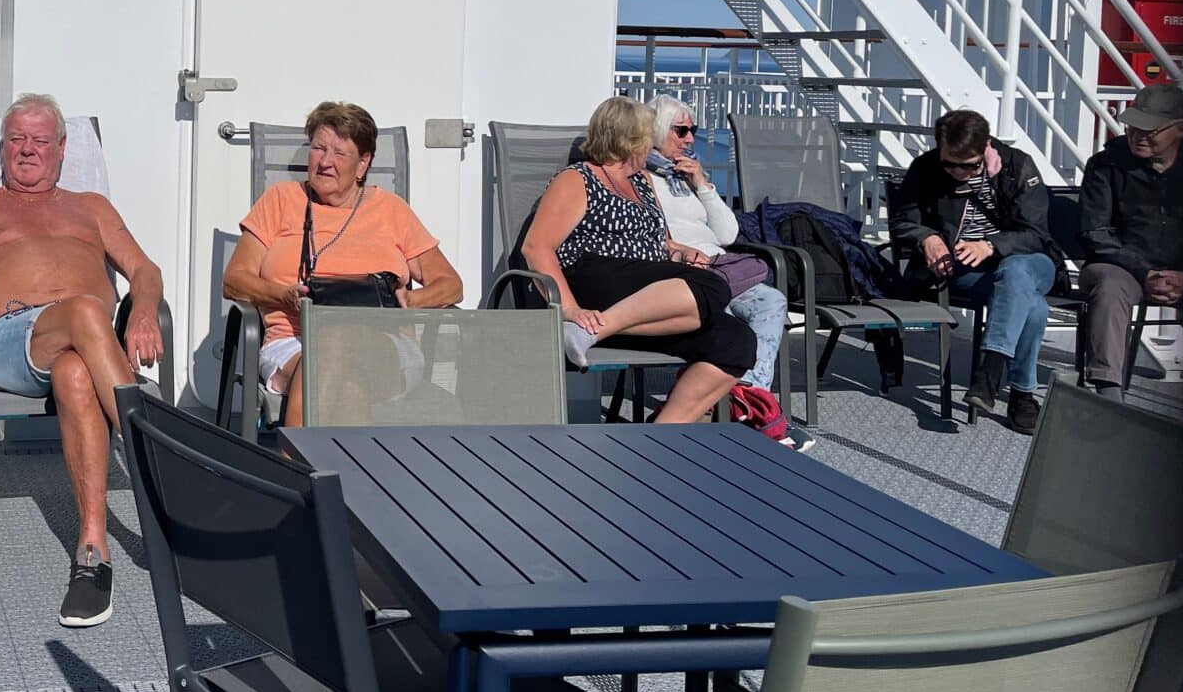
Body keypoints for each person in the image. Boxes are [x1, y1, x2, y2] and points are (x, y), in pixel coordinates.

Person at [0, 94, 164, 628]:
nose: (28, 150)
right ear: (2, 148)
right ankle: (158, 462)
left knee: (77, 374)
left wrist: (146, 312)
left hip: (83, 348)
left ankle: (91, 553)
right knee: (85, 312)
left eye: (40, 140)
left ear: (62, 149)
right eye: (17, 139)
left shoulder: (92, 207)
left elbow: (144, 270)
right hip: (12, 341)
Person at [222, 101, 463, 428]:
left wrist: (411, 300)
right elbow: (234, 280)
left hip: (386, 347)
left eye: (339, 153)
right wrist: (282, 294)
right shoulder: (281, 201)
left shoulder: (391, 210)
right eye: (319, 148)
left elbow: (451, 284)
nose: (325, 162)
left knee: (337, 338)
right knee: (348, 387)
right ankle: (347, 477)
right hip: (292, 343)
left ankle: (290, 460)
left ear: (363, 164)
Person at [516, 96, 755, 424]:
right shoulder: (578, 178)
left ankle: (658, 438)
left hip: (638, 300)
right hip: (593, 280)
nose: (654, 144)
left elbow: (659, 241)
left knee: (736, 340)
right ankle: (585, 331)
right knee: (711, 284)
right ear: (631, 139)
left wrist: (679, 250)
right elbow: (536, 247)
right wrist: (569, 311)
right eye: (649, 135)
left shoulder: (641, 182)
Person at [643, 97, 803, 444]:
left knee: (771, 301)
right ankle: (751, 413)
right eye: (681, 130)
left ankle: (746, 399)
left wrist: (702, 184)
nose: (689, 139)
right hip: (682, 270)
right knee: (723, 315)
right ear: (655, 131)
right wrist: (679, 253)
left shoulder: (685, 176)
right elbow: (646, 237)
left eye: (693, 131)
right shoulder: (641, 178)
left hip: (719, 265)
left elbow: (728, 234)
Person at [891, 109, 1062, 433]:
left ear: (985, 148)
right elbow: (903, 221)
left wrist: (992, 244)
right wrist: (927, 238)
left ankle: (990, 372)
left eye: (968, 165)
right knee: (1033, 307)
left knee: (1016, 270)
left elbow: (1037, 233)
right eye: (949, 164)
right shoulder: (926, 169)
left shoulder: (1017, 166)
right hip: (968, 269)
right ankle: (1020, 396)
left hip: (1029, 259)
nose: (957, 172)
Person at [1077, 83, 1183, 394]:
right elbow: (1095, 232)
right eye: (1133, 126)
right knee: (1109, 285)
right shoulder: (1105, 165)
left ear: (1182, 129)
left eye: (1150, 129)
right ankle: (1107, 393)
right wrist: (1146, 272)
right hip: (1122, 266)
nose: (1137, 135)